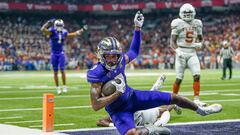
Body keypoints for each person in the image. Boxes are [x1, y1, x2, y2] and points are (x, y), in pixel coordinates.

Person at [87, 11, 222, 135]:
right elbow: (95, 105)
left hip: (133, 97)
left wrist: (137, 28)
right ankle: (152, 129)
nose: (112, 60)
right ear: (101, 56)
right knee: (132, 134)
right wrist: (117, 93)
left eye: (114, 56)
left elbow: (134, 52)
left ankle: (202, 111)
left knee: (174, 98)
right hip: (118, 111)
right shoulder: (97, 73)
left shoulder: (120, 61)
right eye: (108, 56)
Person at [97, 74, 182, 128]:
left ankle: (172, 103)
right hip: (145, 115)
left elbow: (164, 111)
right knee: (159, 104)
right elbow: (100, 121)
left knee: (162, 107)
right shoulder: (119, 114)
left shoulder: (127, 109)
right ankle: (171, 101)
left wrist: (159, 124)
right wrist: (113, 125)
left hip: (147, 112)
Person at [170, 3, 206, 107]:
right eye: (185, 13)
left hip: (192, 53)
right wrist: (178, 51)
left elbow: (201, 38)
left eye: (189, 13)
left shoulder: (197, 23)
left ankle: (197, 99)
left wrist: (200, 43)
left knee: (197, 75)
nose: (187, 15)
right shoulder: (177, 23)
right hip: (181, 52)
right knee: (179, 78)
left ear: (193, 13)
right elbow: (172, 41)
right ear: (181, 13)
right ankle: (174, 99)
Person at [41, 19, 87, 94]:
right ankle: (58, 88)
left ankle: (64, 86)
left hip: (61, 53)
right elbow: (43, 29)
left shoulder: (64, 32)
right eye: (58, 25)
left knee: (62, 70)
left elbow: (73, 34)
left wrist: (82, 30)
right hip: (54, 53)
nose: (59, 27)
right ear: (55, 25)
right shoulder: (52, 31)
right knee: (55, 72)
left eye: (60, 25)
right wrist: (47, 23)